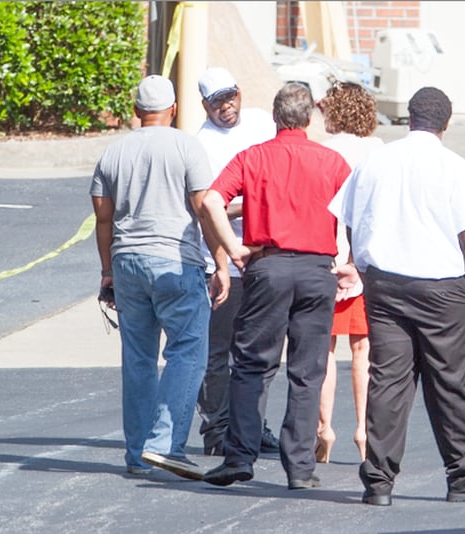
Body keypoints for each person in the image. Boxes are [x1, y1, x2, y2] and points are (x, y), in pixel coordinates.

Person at [328, 86, 465, 506]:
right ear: (446, 123)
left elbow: (351, 222)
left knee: (388, 382)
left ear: (409, 119)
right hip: (443, 289)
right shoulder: (454, 167)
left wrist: (363, 264)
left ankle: (378, 482)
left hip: (386, 284)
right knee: (449, 383)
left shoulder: (375, 162)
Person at [199, 82, 354, 490]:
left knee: (252, 365)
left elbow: (212, 201)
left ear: (274, 117)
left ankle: (240, 455)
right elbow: (356, 213)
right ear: (309, 118)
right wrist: (352, 262)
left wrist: (233, 249)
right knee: (307, 370)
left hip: (268, 267)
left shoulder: (253, 156)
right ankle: (300, 468)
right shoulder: (333, 161)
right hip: (318, 270)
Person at [90, 75, 229, 480]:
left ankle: (137, 455)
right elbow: (204, 208)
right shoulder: (187, 146)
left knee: (138, 358)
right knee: (188, 349)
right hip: (175, 260)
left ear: (136, 111)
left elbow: (103, 218)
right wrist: (221, 263)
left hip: (127, 262)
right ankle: (165, 444)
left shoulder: (112, 153)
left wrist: (107, 272)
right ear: (173, 110)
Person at [194, 67, 280, 457]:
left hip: (265, 253)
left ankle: (253, 426)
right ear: (204, 106)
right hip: (224, 260)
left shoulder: (262, 123)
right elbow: (207, 209)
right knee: (219, 350)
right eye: (216, 103)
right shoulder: (203, 145)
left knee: (258, 349)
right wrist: (255, 203)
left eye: (230, 97)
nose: (226, 107)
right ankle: (217, 430)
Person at [315, 81, 384, 464]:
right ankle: (364, 430)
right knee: (363, 349)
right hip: (365, 262)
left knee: (324, 349)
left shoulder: (323, 152)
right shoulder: (377, 152)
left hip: (327, 257)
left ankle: (324, 428)